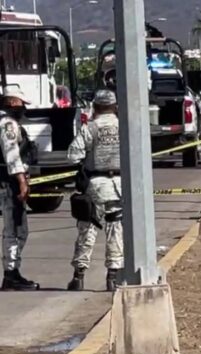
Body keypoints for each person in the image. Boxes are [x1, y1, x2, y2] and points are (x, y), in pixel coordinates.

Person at [67, 90, 123, 292]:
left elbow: (73, 155)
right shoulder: (123, 126)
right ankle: (113, 277)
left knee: (87, 229)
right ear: (115, 106)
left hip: (96, 185)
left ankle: (79, 277)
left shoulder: (90, 127)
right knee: (115, 230)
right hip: (119, 185)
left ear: (96, 106)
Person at [0, 86, 39, 291]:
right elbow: (12, 155)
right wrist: (22, 181)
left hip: (10, 181)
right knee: (14, 230)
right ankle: (11, 275)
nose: (23, 108)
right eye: (22, 103)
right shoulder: (7, 124)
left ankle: (12, 272)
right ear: (13, 102)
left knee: (18, 229)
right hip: (9, 183)